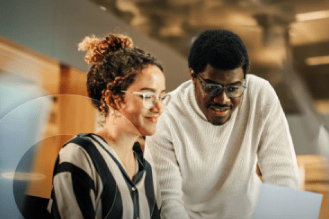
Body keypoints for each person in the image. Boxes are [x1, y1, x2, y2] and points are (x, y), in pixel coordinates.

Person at [145, 29, 300, 218]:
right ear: (194, 77)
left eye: (233, 88)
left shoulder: (260, 94)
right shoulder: (166, 115)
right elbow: (169, 202)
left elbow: (283, 177)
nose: (223, 99)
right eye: (212, 87)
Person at [47, 33, 168, 219]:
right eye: (147, 96)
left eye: (161, 97)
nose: (159, 108)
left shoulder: (148, 171)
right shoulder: (81, 154)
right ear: (113, 99)